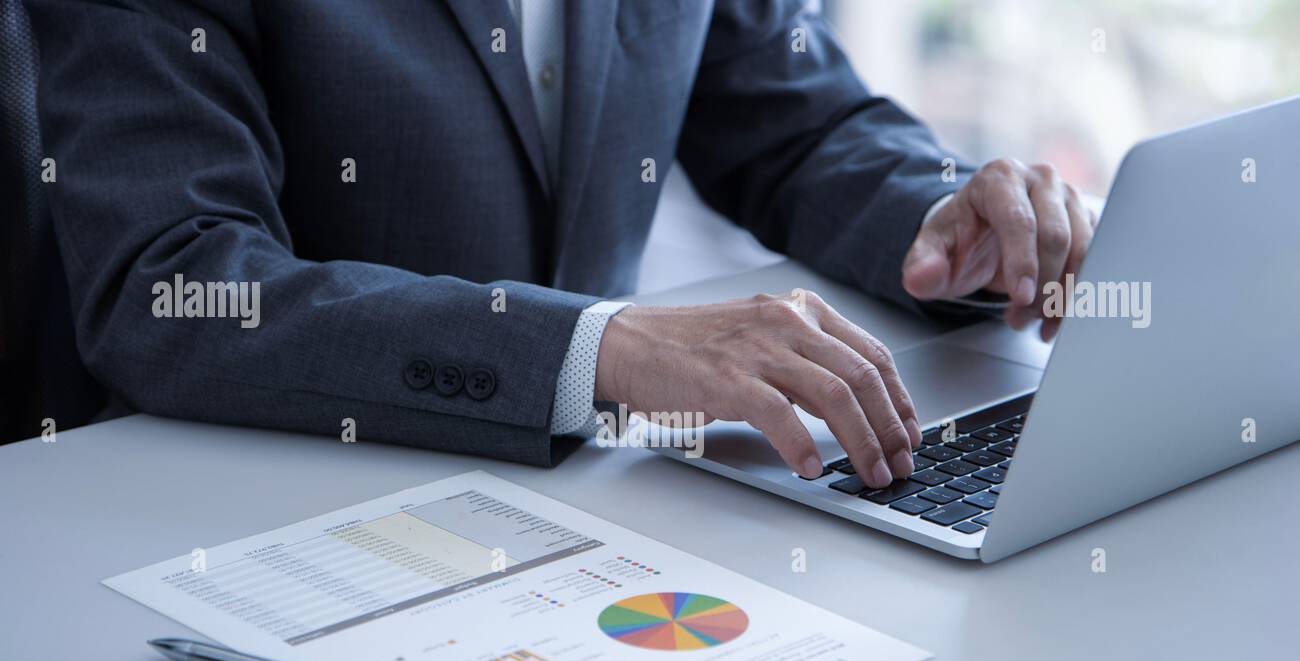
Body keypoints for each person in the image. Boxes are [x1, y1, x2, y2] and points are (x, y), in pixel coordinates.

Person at [27, 0, 1094, 488]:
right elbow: (173, 279)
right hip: (261, 515)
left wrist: (946, 219)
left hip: (598, 516)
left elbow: (789, 116)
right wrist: (597, 350)